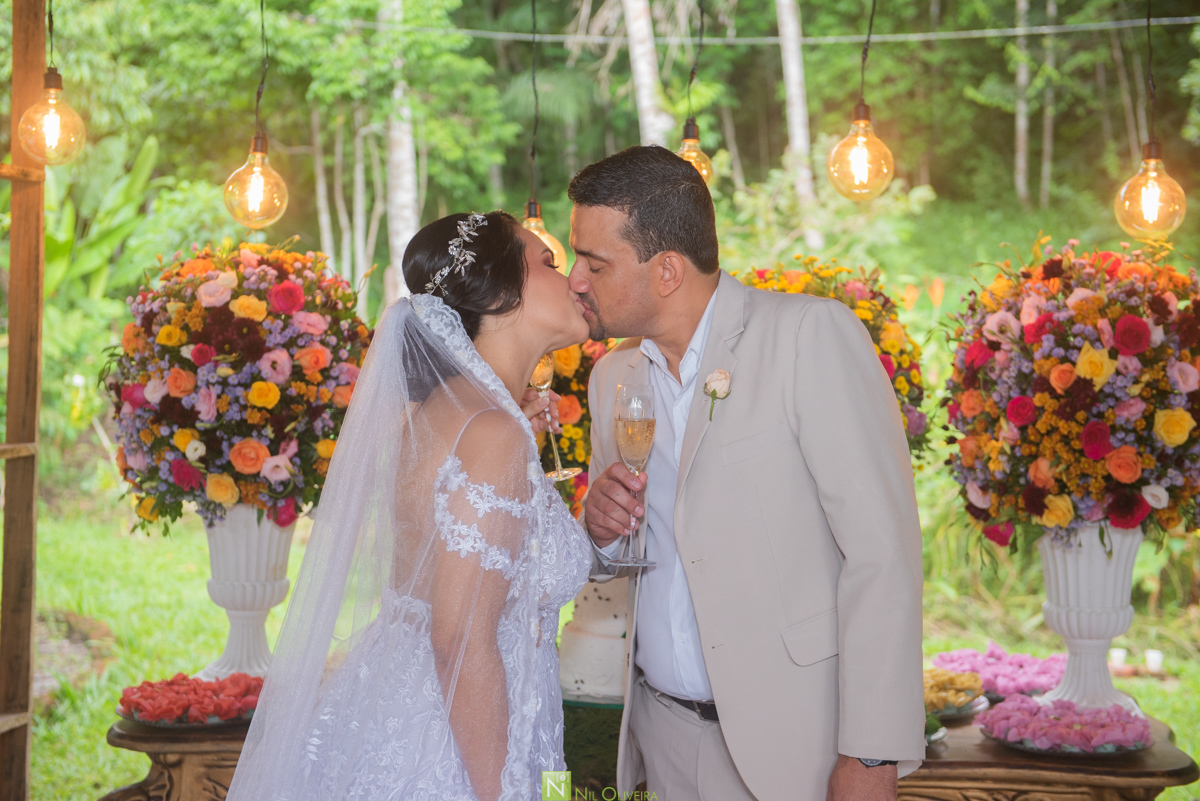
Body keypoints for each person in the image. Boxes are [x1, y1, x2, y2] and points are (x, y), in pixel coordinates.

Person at [569, 146, 925, 801]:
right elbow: (629, 556)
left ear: (667, 270)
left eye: (594, 263)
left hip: (796, 747)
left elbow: (883, 553)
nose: (575, 280)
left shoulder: (805, 338)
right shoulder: (612, 378)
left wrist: (872, 752)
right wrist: (601, 527)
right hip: (660, 738)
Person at [225, 211, 593, 801]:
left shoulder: (447, 413)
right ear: (500, 295)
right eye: (548, 263)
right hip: (456, 748)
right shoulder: (492, 430)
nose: (574, 279)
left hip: (408, 705)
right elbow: (461, 640)